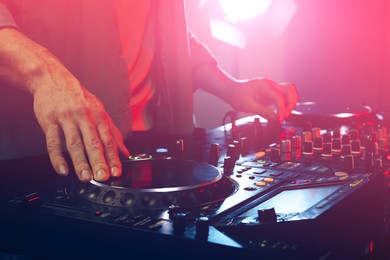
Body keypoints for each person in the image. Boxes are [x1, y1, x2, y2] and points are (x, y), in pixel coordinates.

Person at [0, 0, 298, 183]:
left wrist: (227, 85)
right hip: (41, 152)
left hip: (154, 140)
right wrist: (44, 75)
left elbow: (159, 33)